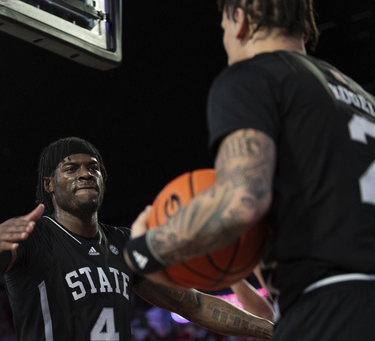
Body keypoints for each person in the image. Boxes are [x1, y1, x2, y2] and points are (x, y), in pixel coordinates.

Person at [124, 1, 375, 340]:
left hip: (331, 306)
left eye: (223, 28)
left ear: (239, 20)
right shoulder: (363, 98)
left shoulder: (252, 77)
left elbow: (240, 201)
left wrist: (145, 251)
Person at [0, 137, 274, 341]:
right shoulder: (36, 237)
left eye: (93, 167)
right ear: (49, 185)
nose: (85, 173)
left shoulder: (123, 243)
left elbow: (192, 303)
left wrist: (274, 332)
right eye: (71, 168)